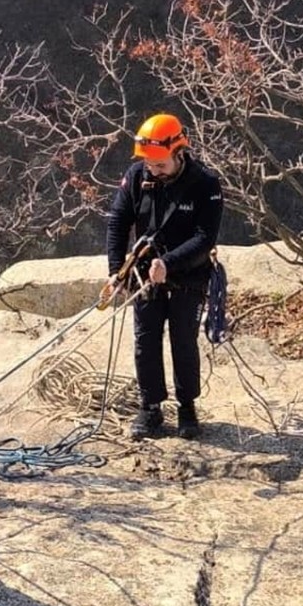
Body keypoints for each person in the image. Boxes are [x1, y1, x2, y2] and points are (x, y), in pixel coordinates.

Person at [106, 113, 224, 441]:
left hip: (188, 273)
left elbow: (205, 238)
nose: (154, 170)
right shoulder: (137, 176)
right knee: (146, 339)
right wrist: (117, 270)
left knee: (183, 339)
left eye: (160, 164)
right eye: (149, 164)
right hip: (145, 272)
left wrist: (169, 263)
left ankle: (187, 406)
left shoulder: (205, 184)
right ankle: (150, 406)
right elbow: (118, 221)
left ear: (179, 152)